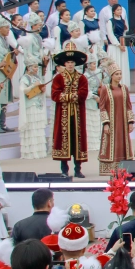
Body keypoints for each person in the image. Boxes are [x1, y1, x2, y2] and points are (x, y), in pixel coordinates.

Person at [50, 42, 89, 179]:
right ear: (64, 64)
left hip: (78, 115)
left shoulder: (82, 78)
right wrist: (72, 96)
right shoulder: (58, 78)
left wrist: (68, 96)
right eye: (68, 62)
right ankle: (64, 169)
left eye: (72, 62)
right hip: (63, 115)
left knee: (77, 141)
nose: (70, 65)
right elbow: (55, 95)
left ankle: (78, 169)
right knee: (63, 140)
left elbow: (83, 95)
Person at [97, 61, 134, 175]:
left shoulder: (124, 88)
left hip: (122, 121)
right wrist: (106, 123)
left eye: (120, 74)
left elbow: (128, 105)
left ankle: (123, 167)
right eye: (117, 74)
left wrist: (130, 122)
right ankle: (110, 168)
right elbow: (102, 107)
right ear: (111, 76)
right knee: (110, 144)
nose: (119, 76)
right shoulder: (105, 89)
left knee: (123, 143)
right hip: (111, 122)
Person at [17, 61, 47, 159]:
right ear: (28, 67)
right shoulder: (25, 78)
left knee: (38, 127)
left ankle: (39, 151)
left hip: (38, 104)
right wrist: (33, 86)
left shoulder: (37, 78)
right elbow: (23, 90)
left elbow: (39, 89)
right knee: (32, 127)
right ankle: (30, 152)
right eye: (34, 67)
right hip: (30, 105)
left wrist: (42, 90)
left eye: (37, 67)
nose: (36, 69)